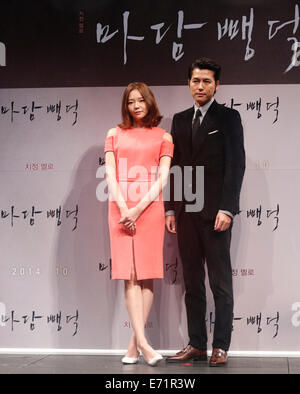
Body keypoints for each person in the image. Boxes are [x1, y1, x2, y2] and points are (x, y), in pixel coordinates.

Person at [165, 58, 245, 366]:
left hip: (215, 214)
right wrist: (171, 209)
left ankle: (221, 345)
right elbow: (174, 167)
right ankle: (197, 344)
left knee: (220, 283)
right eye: (196, 81)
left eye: (207, 81)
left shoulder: (229, 118)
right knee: (192, 282)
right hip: (186, 213)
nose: (201, 86)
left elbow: (235, 165)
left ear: (217, 85)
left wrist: (228, 208)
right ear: (189, 84)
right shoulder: (180, 119)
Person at [104, 82, 174, 366]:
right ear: (126, 105)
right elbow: (110, 173)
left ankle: (134, 346)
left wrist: (138, 209)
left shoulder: (164, 137)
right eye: (131, 101)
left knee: (146, 275)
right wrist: (124, 208)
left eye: (140, 100)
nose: (136, 105)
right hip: (120, 210)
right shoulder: (114, 134)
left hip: (149, 209)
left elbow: (163, 178)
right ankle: (145, 343)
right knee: (129, 275)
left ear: (149, 102)